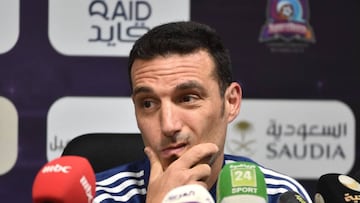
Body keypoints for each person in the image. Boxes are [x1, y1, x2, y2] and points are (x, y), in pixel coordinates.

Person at [94, 21, 312, 203]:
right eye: (148, 103)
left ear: (231, 102)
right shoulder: (98, 196)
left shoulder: (280, 196)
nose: (169, 125)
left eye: (187, 98)